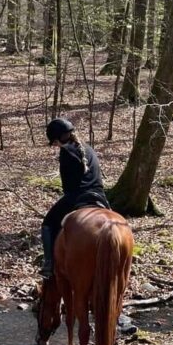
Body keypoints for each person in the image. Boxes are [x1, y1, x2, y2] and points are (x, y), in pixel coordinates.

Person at [39, 118, 110, 279]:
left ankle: (49, 264)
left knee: (48, 224)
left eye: (55, 142)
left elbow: (68, 187)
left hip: (77, 197)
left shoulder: (66, 152)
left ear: (57, 139)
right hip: (100, 196)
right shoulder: (88, 149)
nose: (55, 145)